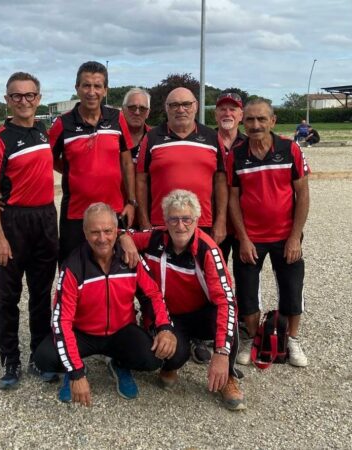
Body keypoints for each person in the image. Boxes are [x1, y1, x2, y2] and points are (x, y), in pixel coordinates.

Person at [34, 203, 177, 405]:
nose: (102, 238)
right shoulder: (73, 266)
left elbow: (152, 294)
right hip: (83, 334)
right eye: (95, 232)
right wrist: (76, 372)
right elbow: (62, 321)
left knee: (153, 358)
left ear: (116, 231)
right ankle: (74, 366)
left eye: (108, 231)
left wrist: (164, 327)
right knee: (44, 358)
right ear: (85, 233)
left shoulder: (130, 258)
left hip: (120, 331)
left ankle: (118, 363)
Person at [122, 189, 245, 410]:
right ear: (165, 221)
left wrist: (221, 353)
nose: (180, 226)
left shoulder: (208, 250)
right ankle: (171, 364)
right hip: (169, 315)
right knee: (174, 354)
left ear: (196, 220)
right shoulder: (155, 237)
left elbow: (225, 301)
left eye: (187, 219)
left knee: (228, 316)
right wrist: (125, 238)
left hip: (201, 312)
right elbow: (117, 232)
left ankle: (227, 376)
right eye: (174, 219)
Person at [136, 87, 228, 364]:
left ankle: (199, 335)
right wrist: (144, 221)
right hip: (161, 224)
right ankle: (157, 323)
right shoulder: (153, 137)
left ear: (196, 106)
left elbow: (221, 180)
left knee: (202, 283)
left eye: (186, 104)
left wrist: (221, 221)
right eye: (174, 105)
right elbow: (141, 179)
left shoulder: (211, 137)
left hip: (203, 224)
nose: (181, 109)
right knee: (160, 282)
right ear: (166, 108)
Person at [0, 72, 59, 390]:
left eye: (29, 95)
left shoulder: (43, 130)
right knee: (8, 296)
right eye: (16, 96)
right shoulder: (0, 138)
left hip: (46, 219)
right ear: (7, 100)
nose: (23, 101)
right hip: (14, 222)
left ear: (38, 99)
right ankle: (10, 360)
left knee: (41, 294)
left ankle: (38, 357)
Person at [227, 99, 310, 368]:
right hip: (250, 238)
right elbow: (233, 199)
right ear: (243, 122)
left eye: (261, 119)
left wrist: (295, 236)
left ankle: (292, 339)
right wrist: (243, 238)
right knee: (247, 291)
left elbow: (303, 193)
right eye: (250, 120)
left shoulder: (290, 149)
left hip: (286, 235)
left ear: (272, 121)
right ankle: (252, 339)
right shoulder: (236, 155)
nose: (255, 125)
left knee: (292, 288)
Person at [49, 61, 136, 263]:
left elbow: (126, 163)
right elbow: (48, 158)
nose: (91, 92)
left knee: (114, 267)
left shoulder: (117, 118)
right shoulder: (63, 123)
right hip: (75, 213)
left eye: (97, 86)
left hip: (113, 210)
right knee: (71, 267)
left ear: (105, 90)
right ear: (77, 88)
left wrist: (131, 202)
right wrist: (73, 171)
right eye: (86, 85)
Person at [214, 92, 247, 263]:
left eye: (233, 109)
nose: (227, 113)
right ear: (215, 114)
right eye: (222, 109)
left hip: (244, 221)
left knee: (246, 272)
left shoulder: (250, 143)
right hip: (213, 220)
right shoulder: (206, 142)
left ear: (241, 115)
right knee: (215, 271)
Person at [122, 87, 151, 165]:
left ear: (148, 113)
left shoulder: (155, 138)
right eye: (132, 108)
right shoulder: (112, 136)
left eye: (142, 108)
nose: (137, 113)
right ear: (123, 109)